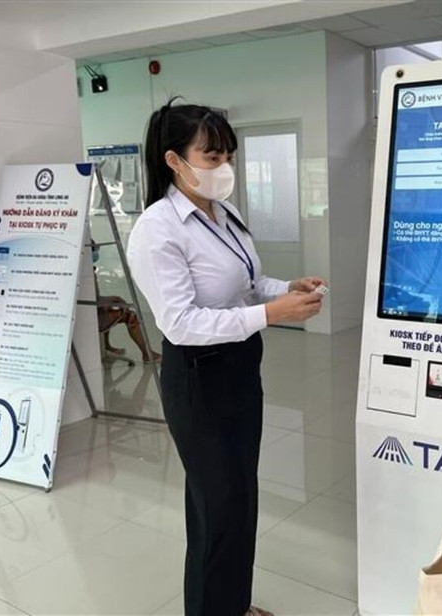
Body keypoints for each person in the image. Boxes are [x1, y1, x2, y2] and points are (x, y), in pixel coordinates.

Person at [127, 100, 326, 616]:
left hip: (239, 370)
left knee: (239, 502)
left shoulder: (223, 213)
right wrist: (273, 314)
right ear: (174, 160)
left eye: (228, 154)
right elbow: (181, 323)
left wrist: (286, 288)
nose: (224, 167)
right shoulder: (158, 228)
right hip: (198, 379)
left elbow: (247, 281)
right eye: (211, 156)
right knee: (218, 510)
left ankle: (232, 605)